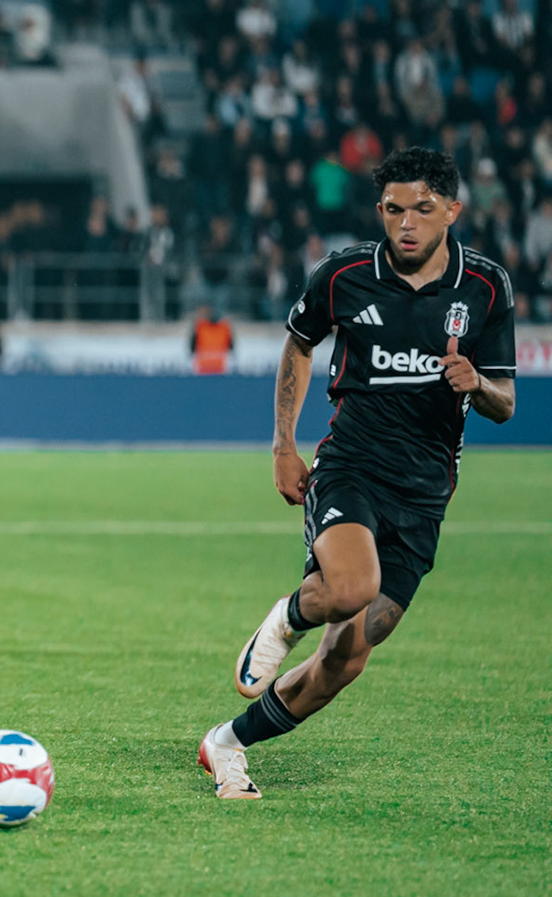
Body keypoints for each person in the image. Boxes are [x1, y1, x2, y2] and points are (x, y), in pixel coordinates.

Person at [199, 149, 515, 799]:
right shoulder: (344, 275)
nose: (407, 224)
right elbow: (300, 342)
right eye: (394, 209)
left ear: (452, 211)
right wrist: (284, 445)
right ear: (380, 211)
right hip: (351, 468)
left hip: (425, 496)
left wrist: (474, 382)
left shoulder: (485, 288)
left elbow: (505, 402)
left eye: (423, 210)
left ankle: (227, 743)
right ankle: (285, 618)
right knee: (348, 586)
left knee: (346, 660)